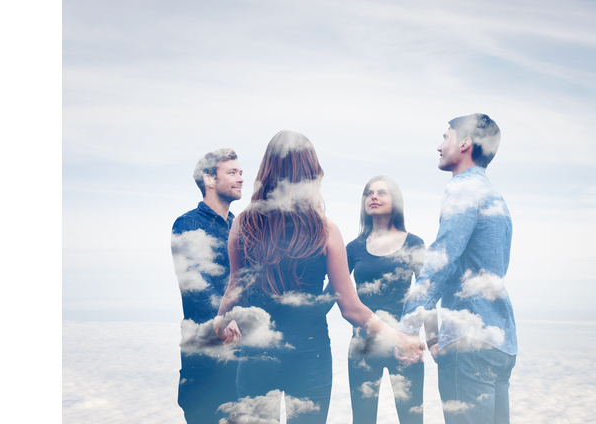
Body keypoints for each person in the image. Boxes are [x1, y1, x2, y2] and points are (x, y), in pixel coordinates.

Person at [212, 131, 426, 424]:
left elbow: (233, 291)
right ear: (311, 174)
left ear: (267, 172)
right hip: (309, 358)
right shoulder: (325, 230)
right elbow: (350, 307)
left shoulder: (244, 223)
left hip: (256, 358)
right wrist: (398, 338)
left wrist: (221, 324)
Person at [397, 114, 517, 424]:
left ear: (464, 144)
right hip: (500, 341)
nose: (439, 146)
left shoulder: (462, 190)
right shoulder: (496, 198)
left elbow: (442, 260)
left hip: (469, 343)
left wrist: (408, 327)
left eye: (445, 138)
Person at [346, 175, 438, 424]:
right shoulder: (353, 248)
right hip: (363, 347)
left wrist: (433, 341)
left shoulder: (414, 243)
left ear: (395, 201)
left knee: (411, 420)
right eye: (369, 193)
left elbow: (426, 295)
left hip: (405, 346)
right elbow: (337, 294)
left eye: (381, 192)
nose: (373, 197)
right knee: (362, 420)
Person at [170, 148, 244, 424]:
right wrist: (225, 320)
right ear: (210, 180)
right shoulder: (188, 224)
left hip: (239, 362)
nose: (240, 179)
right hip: (205, 362)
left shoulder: (239, 227)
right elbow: (195, 284)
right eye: (232, 172)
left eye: (241, 173)